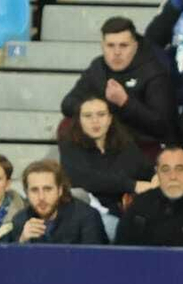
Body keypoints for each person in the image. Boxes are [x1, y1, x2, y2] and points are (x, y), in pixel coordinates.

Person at [61, 16, 176, 143]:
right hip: (106, 140)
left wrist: (125, 102)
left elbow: (162, 126)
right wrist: (93, 110)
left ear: (135, 46)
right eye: (110, 45)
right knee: (66, 126)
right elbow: (67, 103)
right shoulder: (98, 67)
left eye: (123, 45)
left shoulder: (153, 72)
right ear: (102, 46)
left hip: (140, 143)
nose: (116, 52)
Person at [58, 94, 156, 230]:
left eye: (101, 114)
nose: (95, 121)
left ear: (110, 118)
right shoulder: (69, 145)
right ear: (79, 120)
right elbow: (82, 178)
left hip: (124, 211)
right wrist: (132, 185)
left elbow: (146, 170)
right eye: (87, 116)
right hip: (88, 211)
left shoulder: (125, 144)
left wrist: (157, 177)